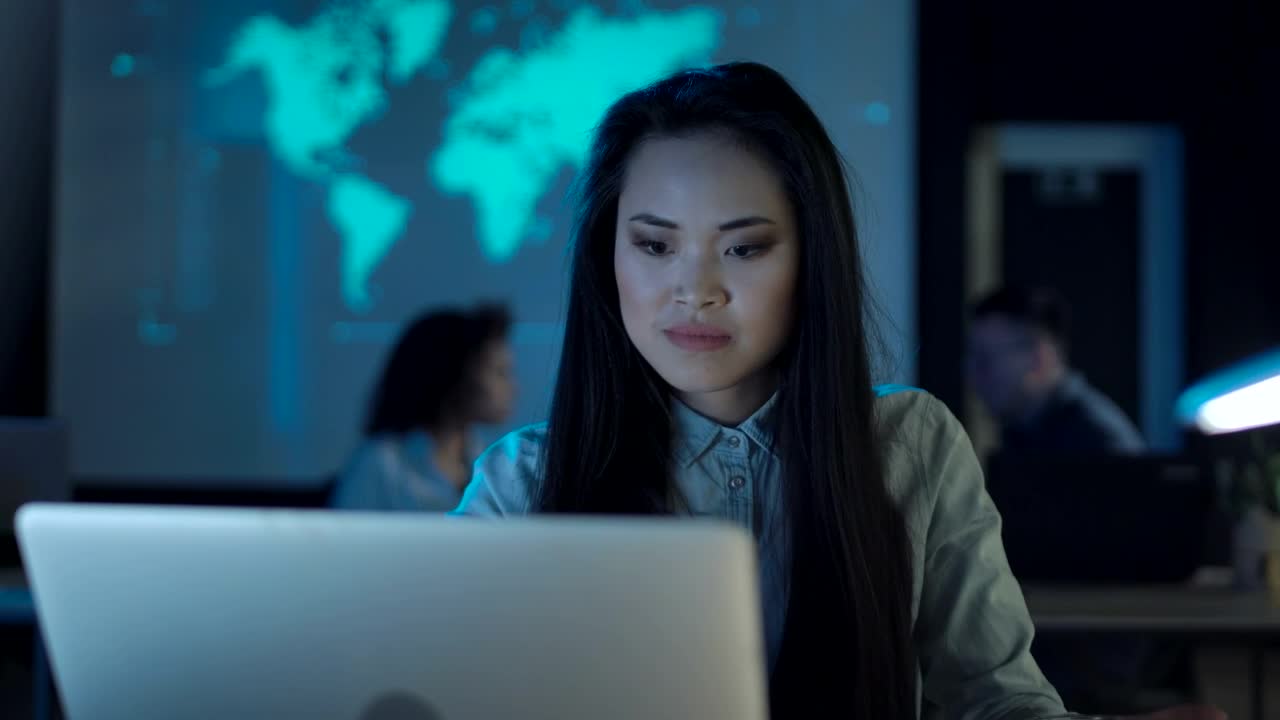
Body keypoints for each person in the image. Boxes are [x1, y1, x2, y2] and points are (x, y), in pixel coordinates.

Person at [454, 63, 1221, 720]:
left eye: (744, 248)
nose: (695, 292)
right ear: (607, 256)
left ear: (811, 259)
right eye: (654, 245)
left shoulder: (910, 444)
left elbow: (995, 700)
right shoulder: (520, 484)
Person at [331, 304, 517, 512]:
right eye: (500, 372)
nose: (513, 388)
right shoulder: (380, 466)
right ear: (453, 373)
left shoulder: (490, 460)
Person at [967, 285, 1145, 455]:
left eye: (986, 359)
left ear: (1039, 359)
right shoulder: (1027, 431)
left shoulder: (1099, 442)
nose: (973, 373)